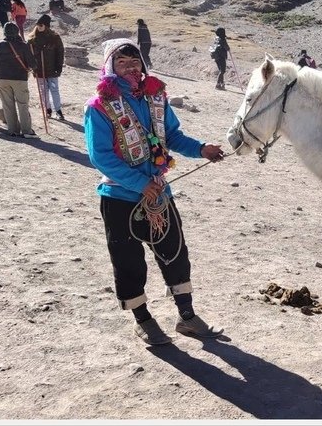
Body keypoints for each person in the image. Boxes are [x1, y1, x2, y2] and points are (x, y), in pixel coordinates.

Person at [84, 38, 226, 345]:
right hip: (120, 197)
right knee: (129, 260)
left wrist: (202, 149)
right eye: (122, 63)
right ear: (110, 67)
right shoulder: (100, 107)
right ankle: (143, 320)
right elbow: (101, 156)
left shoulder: (156, 98)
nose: (131, 68)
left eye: (134, 61)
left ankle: (187, 317)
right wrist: (139, 184)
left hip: (159, 194)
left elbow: (172, 136)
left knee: (175, 252)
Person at [0, 22, 38, 138]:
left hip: (3, 78)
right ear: (17, 31)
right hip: (19, 79)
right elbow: (32, 63)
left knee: (8, 105)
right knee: (22, 104)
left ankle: (13, 130)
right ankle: (27, 131)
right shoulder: (23, 45)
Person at [29, 14, 65, 120]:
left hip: (52, 69)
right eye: (37, 25)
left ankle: (58, 111)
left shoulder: (55, 38)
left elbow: (60, 53)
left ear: (46, 26)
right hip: (39, 70)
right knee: (43, 91)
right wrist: (33, 68)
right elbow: (29, 55)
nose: (39, 27)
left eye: (41, 25)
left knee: (54, 90)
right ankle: (47, 109)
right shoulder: (32, 39)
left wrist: (59, 68)